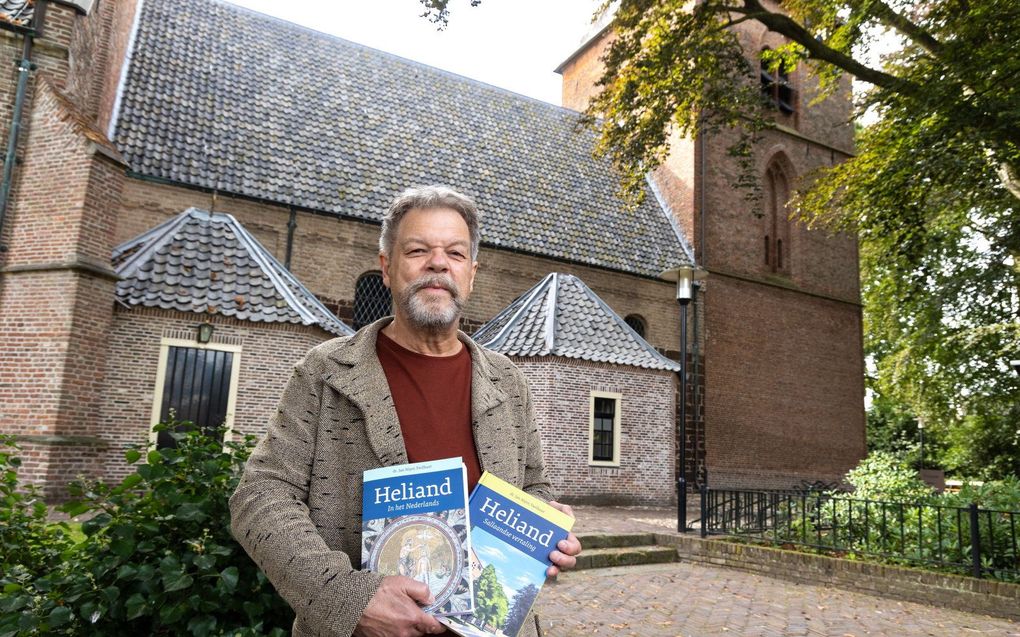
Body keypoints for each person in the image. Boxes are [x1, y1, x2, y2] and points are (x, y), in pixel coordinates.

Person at [229, 185, 582, 637]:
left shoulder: (508, 381)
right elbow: (260, 495)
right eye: (418, 250)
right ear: (387, 268)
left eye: (455, 253)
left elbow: (531, 484)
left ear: (471, 274)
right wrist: (345, 597)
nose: (438, 263)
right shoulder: (326, 371)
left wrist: (546, 536)